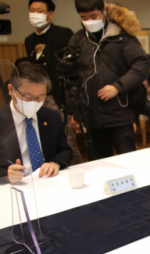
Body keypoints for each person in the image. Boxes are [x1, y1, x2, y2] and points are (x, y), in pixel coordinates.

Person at [68, 0, 149, 159]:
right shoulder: (78, 39)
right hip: (91, 117)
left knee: (128, 162)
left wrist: (117, 87)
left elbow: (141, 64)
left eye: (93, 16)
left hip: (118, 115)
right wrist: (74, 112)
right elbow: (71, 76)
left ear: (103, 10)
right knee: (99, 165)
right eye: (84, 18)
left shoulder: (121, 35)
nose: (89, 21)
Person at [25, 0, 83, 165]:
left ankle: (77, 171)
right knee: (44, 140)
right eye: (32, 10)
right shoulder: (29, 40)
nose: (35, 14)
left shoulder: (63, 34)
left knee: (67, 141)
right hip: (36, 99)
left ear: (50, 14)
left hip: (58, 97)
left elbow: (73, 69)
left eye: (40, 10)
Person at [0, 63, 72, 183]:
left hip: (48, 182)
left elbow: (65, 150)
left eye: (40, 97)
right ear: (11, 90)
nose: (34, 102)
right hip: (14, 188)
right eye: (27, 97)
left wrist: (55, 163)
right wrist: (5, 174)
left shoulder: (52, 117)